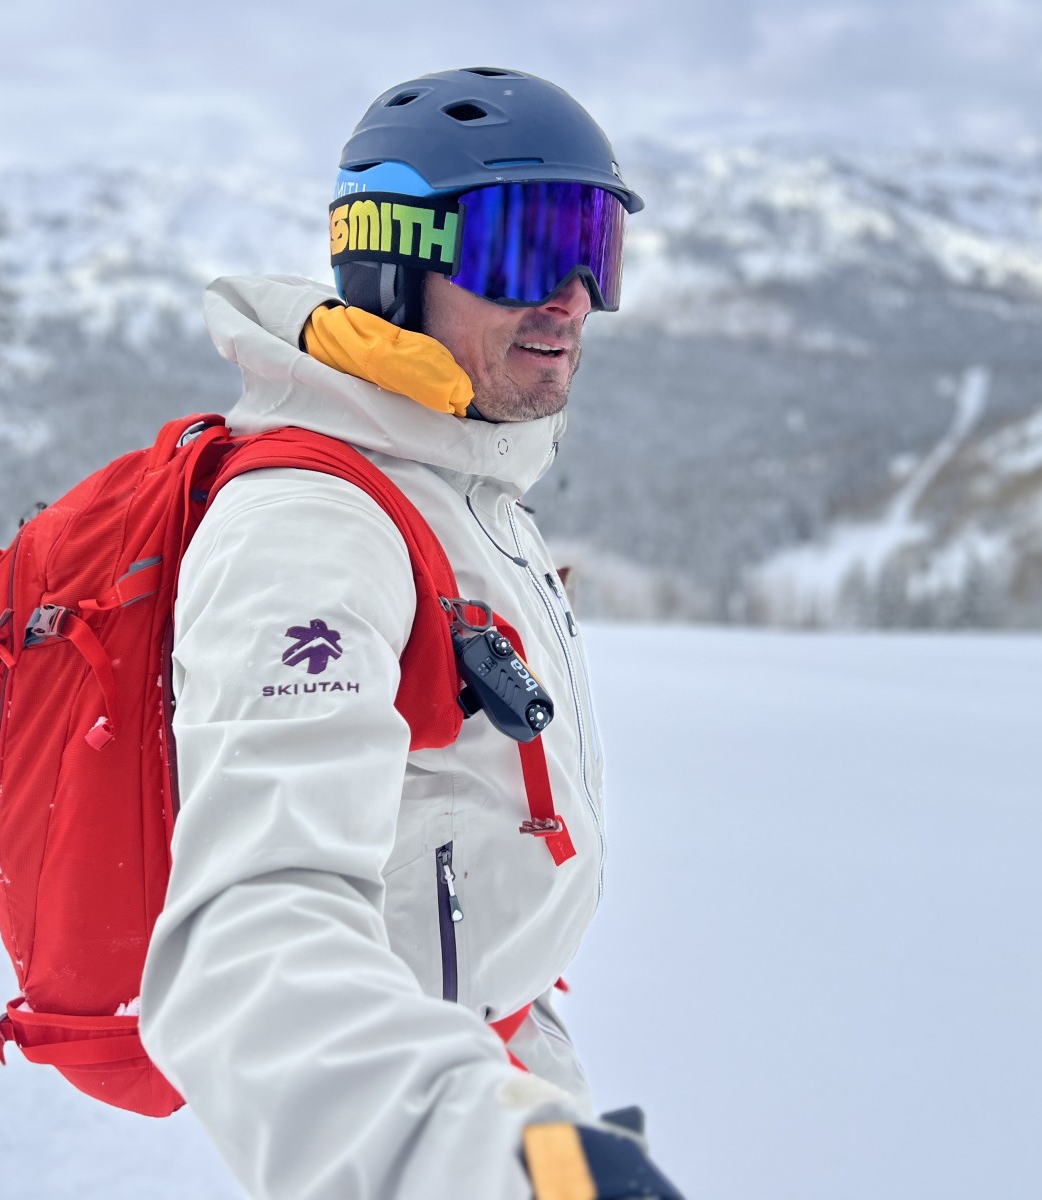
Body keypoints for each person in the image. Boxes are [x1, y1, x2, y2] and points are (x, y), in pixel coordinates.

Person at [139, 67, 683, 1200]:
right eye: (528, 249)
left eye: (595, 246)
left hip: (492, 1066)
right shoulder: (312, 524)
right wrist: (489, 1163)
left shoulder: (460, 483)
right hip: (396, 1126)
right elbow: (248, 940)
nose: (574, 296)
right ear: (391, 259)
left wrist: (534, 1114)